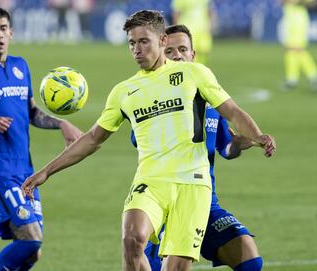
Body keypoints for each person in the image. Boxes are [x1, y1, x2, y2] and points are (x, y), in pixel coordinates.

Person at [21, 10, 276, 271]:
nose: (136, 50)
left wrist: (257, 135)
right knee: (131, 239)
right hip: (151, 182)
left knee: (175, 267)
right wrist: (46, 172)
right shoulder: (124, 92)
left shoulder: (194, 74)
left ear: (162, 40)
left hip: (193, 186)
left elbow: (232, 111)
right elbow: (92, 139)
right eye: (132, 43)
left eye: (144, 41)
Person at [0, 7, 82, 271]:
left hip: (24, 171)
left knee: (31, 253)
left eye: (3, 28)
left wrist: (61, 123)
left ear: (11, 33)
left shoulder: (19, 66)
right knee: (30, 240)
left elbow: (31, 112)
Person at [135, 24, 263, 271]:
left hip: (205, 201)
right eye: (170, 50)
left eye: (183, 49)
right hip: (168, 205)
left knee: (249, 259)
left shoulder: (211, 98)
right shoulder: (152, 100)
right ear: (161, 54)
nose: (178, 55)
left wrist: (241, 142)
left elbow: (226, 148)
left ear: (193, 55)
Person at [281, 0, 317, 91]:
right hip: (290, 14)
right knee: (289, 50)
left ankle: (313, 75)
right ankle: (292, 78)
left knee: (297, 49)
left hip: (298, 17)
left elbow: (312, 2)